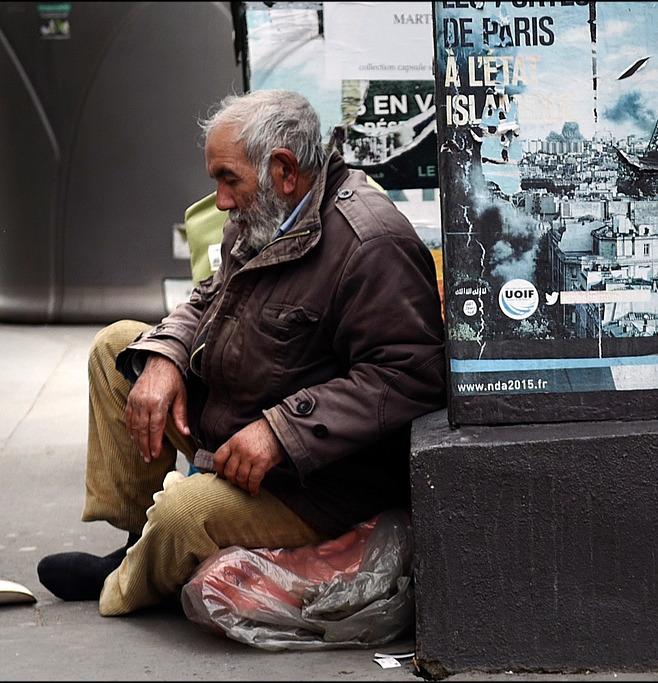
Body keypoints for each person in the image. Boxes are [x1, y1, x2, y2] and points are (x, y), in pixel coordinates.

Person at [37, 89, 447, 617]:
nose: (221, 200)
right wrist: (166, 356)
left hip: (317, 480)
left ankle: (135, 580)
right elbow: (210, 295)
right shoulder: (267, 212)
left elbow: (410, 376)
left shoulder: (370, 243)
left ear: (284, 170)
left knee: (186, 514)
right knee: (119, 348)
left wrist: (282, 431)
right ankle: (141, 542)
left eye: (229, 180)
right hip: (241, 420)